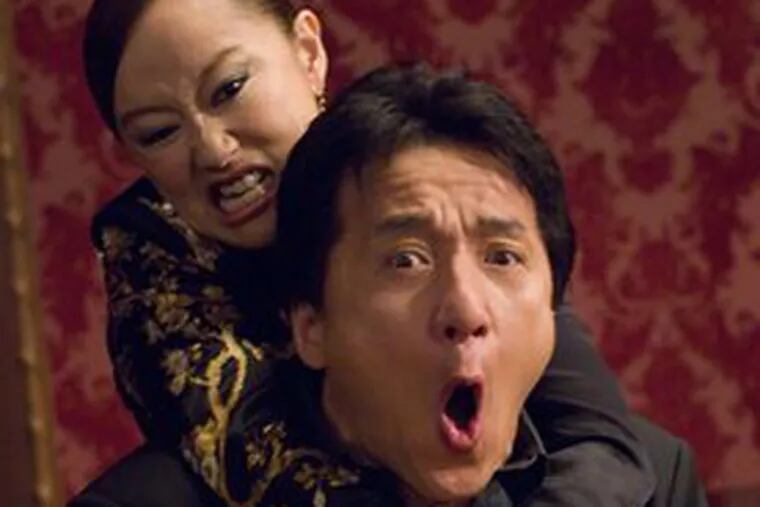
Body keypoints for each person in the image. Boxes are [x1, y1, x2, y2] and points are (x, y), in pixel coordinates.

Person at [78, 0, 654, 504]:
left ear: (308, 51)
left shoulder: (425, 177)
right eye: (159, 132)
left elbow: (602, 442)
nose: (214, 150)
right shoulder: (154, 266)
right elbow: (264, 458)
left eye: (230, 89)